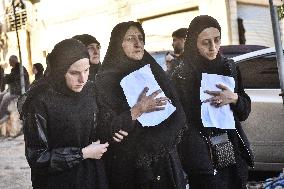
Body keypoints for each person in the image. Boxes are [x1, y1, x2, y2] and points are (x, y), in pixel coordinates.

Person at [95, 21, 187, 189]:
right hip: (130, 168)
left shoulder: (154, 71)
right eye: (130, 38)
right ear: (118, 43)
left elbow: (178, 113)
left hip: (164, 162)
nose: (138, 43)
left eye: (140, 38)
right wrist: (138, 109)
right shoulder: (105, 82)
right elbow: (108, 128)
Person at [171, 15, 253, 189]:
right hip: (202, 155)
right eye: (205, 42)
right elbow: (177, 119)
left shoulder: (229, 67)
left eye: (216, 40)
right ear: (194, 42)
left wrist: (235, 98)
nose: (213, 47)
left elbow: (244, 111)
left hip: (231, 149)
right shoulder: (181, 75)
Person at [19, 39, 109, 189]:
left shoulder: (90, 91)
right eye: (74, 73)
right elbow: (37, 157)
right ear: (60, 71)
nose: (82, 79)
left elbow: (97, 128)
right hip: (58, 182)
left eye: (86, 70)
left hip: (92, 176)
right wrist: (82, 153)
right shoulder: (40, 102)